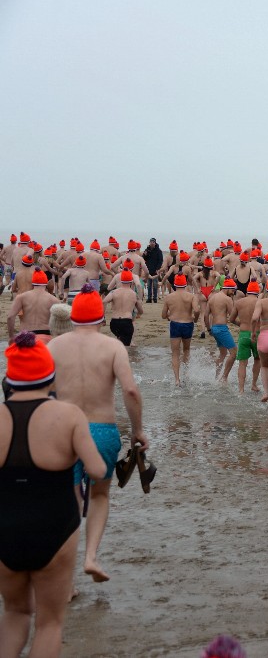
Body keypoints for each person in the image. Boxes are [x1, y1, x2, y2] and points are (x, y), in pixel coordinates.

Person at [0, 333, 107, 658]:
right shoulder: (69, 415)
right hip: (56, 527)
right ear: (49, 375)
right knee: (49, 624)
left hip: (5, 528)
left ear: (10, 377)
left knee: (15, 614)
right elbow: (98, 470)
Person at [48, 284, 147, 584]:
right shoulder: (113, 347)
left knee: (68, 500)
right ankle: (91, 557)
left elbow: (42, 391)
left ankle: (66, 582)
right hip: (102, 430)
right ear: (102, 318)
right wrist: (138, 431)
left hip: (63, 429)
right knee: (100, 494)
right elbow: (130, 390)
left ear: (73, 317)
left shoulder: (53, 347)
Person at [161, 274, 200, 386]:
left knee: (175, 353)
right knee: (186, 350)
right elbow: (197, 310)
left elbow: (163, 315)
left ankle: (177, 380)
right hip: (188, 324)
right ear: (185, 284)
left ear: (175, 284)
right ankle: (186, 375)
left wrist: (170, 314)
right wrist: (195, 319)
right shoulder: (191, 296)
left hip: (175, 324)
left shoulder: (169, 297)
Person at [6, 269, 59, 343]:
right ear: (46, 283)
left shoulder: (21, 297)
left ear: (32, 283)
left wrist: (11, 336)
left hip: (26, 336)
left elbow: (10, 317)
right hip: (46, 335)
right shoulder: (53, 300)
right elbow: (60, 321)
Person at [207, 279, 238, 381]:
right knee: (234, 353)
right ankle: (224, 378)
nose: (233, 292)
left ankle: (216, 377)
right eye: (233, 290)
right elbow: (232, 317)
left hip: (214, 328)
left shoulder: (212, 297)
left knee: (223, 354)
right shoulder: (227, 299)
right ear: (228, 288)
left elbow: (206, 315)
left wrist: (209, 329)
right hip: (221, 329)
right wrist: (243, 325)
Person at [103, 271, 144, 347]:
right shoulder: (134, 294)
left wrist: (103, 317)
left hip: (114, 323)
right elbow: (140, 310)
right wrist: (139, 313)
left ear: (120, 280)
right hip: (126, 322)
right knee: (125, 349)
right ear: (131, 281)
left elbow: (104, 302)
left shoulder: (113, 292)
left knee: (119, 343)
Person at [142, 238, 162, 303]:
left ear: (155, 243)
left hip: (155, 270)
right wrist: (145, 254)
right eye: (151, 242)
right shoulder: (147, 250)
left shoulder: (158, 251)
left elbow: (160, 260)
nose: (152, 243)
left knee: (155, 285)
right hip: (148, 269)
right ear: (149, 243)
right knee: (149, 285)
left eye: (153, 242)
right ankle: (149, 298)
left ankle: (155, 298)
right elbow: (144, 258)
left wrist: (158, 269)